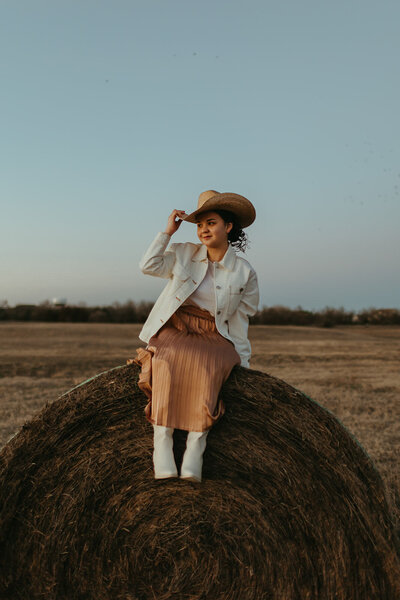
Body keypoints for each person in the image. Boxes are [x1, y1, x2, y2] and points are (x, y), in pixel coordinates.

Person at [130, 190, 259, 482]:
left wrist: (244, 360)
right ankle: (161, 447)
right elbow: (147, 266)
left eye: (211, 223)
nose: (203, 229)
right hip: (177, 327)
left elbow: (240, 318)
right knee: (167, 359)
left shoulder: (244, 272)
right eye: (200, 224)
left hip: (215, 333)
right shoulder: (183, 252)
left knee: (210, 366)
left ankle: (194, 451)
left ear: (228, 227)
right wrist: (167, 232)